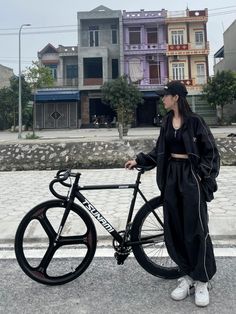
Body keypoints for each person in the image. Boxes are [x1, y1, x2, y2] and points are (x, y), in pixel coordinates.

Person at [125, 81, 220, 307]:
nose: (162, 99)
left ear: (176, 97)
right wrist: (139, 160)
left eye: (165, 96)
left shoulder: (195, 122)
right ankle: (187, 275)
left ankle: (202, 280)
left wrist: (200, 175)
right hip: (171, 179)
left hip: (191, 178)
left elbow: (212, 153)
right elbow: (159, 151)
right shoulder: (167, 122)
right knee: (175, 229)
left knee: (196, 229)